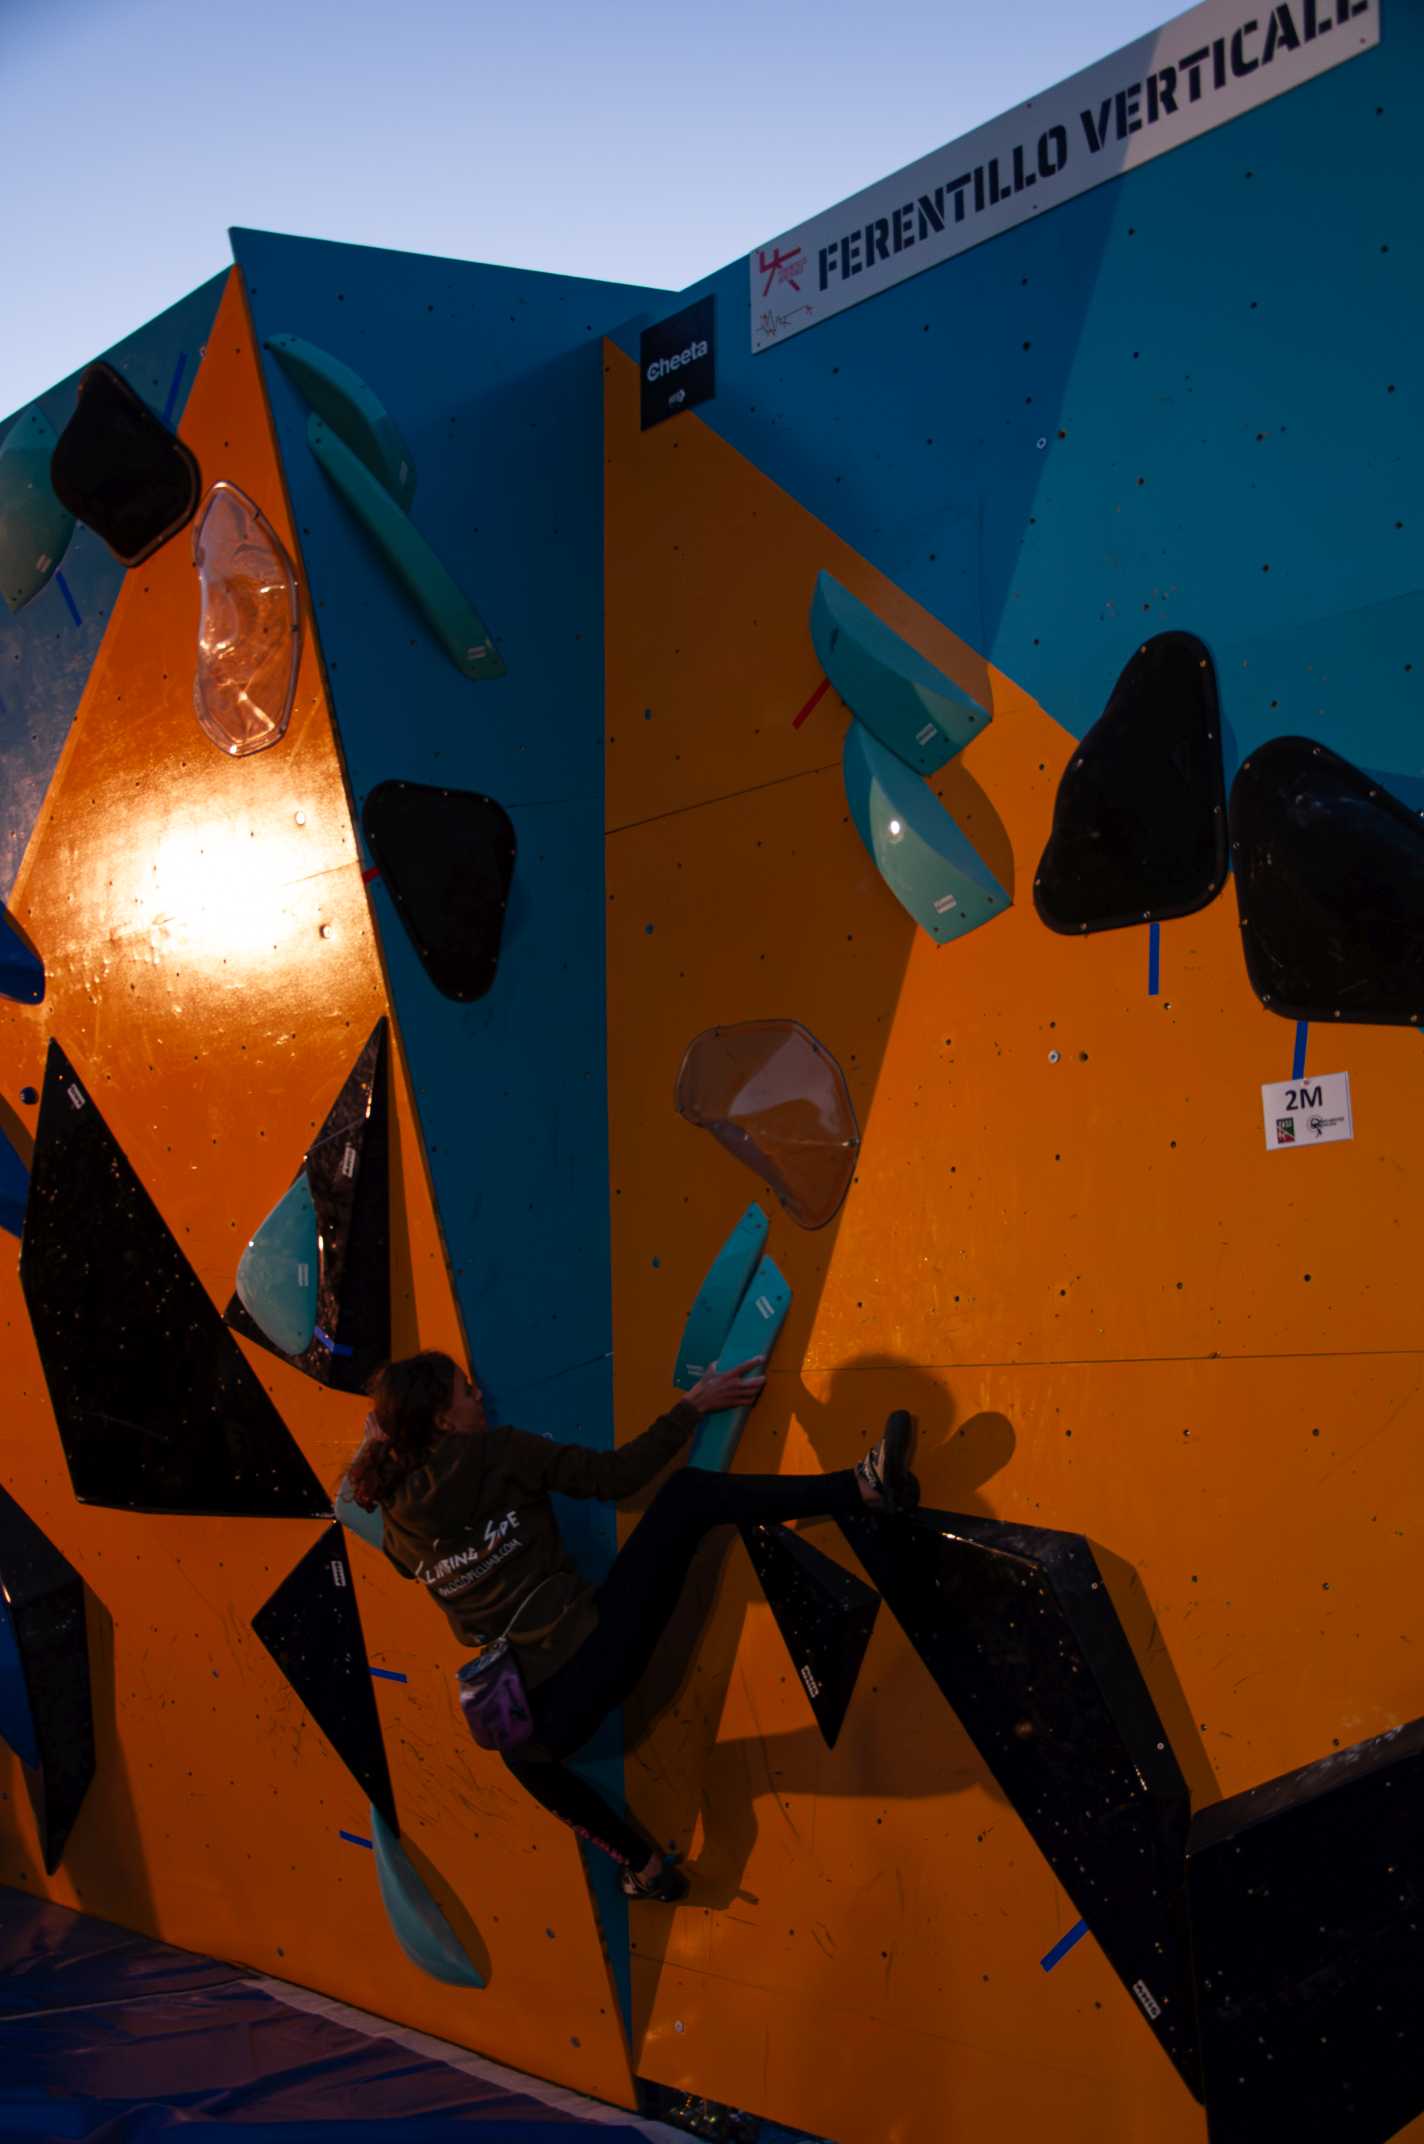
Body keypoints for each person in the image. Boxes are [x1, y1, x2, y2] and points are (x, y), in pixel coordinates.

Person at [345, 1351, 917, 1900]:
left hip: (546, 1710)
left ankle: (644, 1869)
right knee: (689, 1496)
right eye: (466, 1392)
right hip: (598, 1650)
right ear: (443, 1420)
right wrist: (692, 1406)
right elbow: (617, 1477)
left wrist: (377, 1453)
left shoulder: (398, 1524)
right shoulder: (500, 1453)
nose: (480, 1397)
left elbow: (381, 1536)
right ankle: (864, 1486)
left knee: (524, 1758)